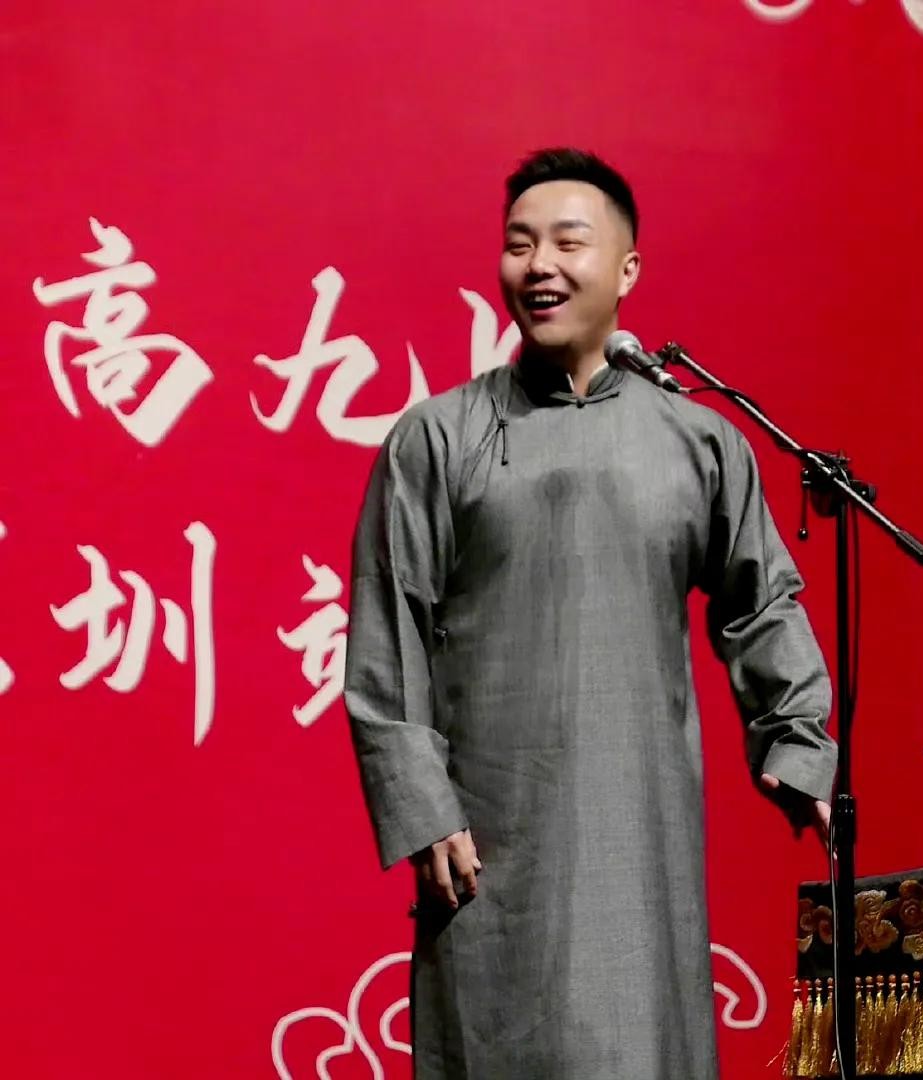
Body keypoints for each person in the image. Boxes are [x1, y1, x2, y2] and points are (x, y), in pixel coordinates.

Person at [343, 147, 836, 1079]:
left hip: (638, 827)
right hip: (488, 837)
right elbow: (388, 629)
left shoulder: (696, 437)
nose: (540, 266)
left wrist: (796, 737)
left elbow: (762, 597)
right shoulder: (438, 437)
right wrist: (424, 809)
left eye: (569, 242)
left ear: (627, 268)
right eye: (519, 244)